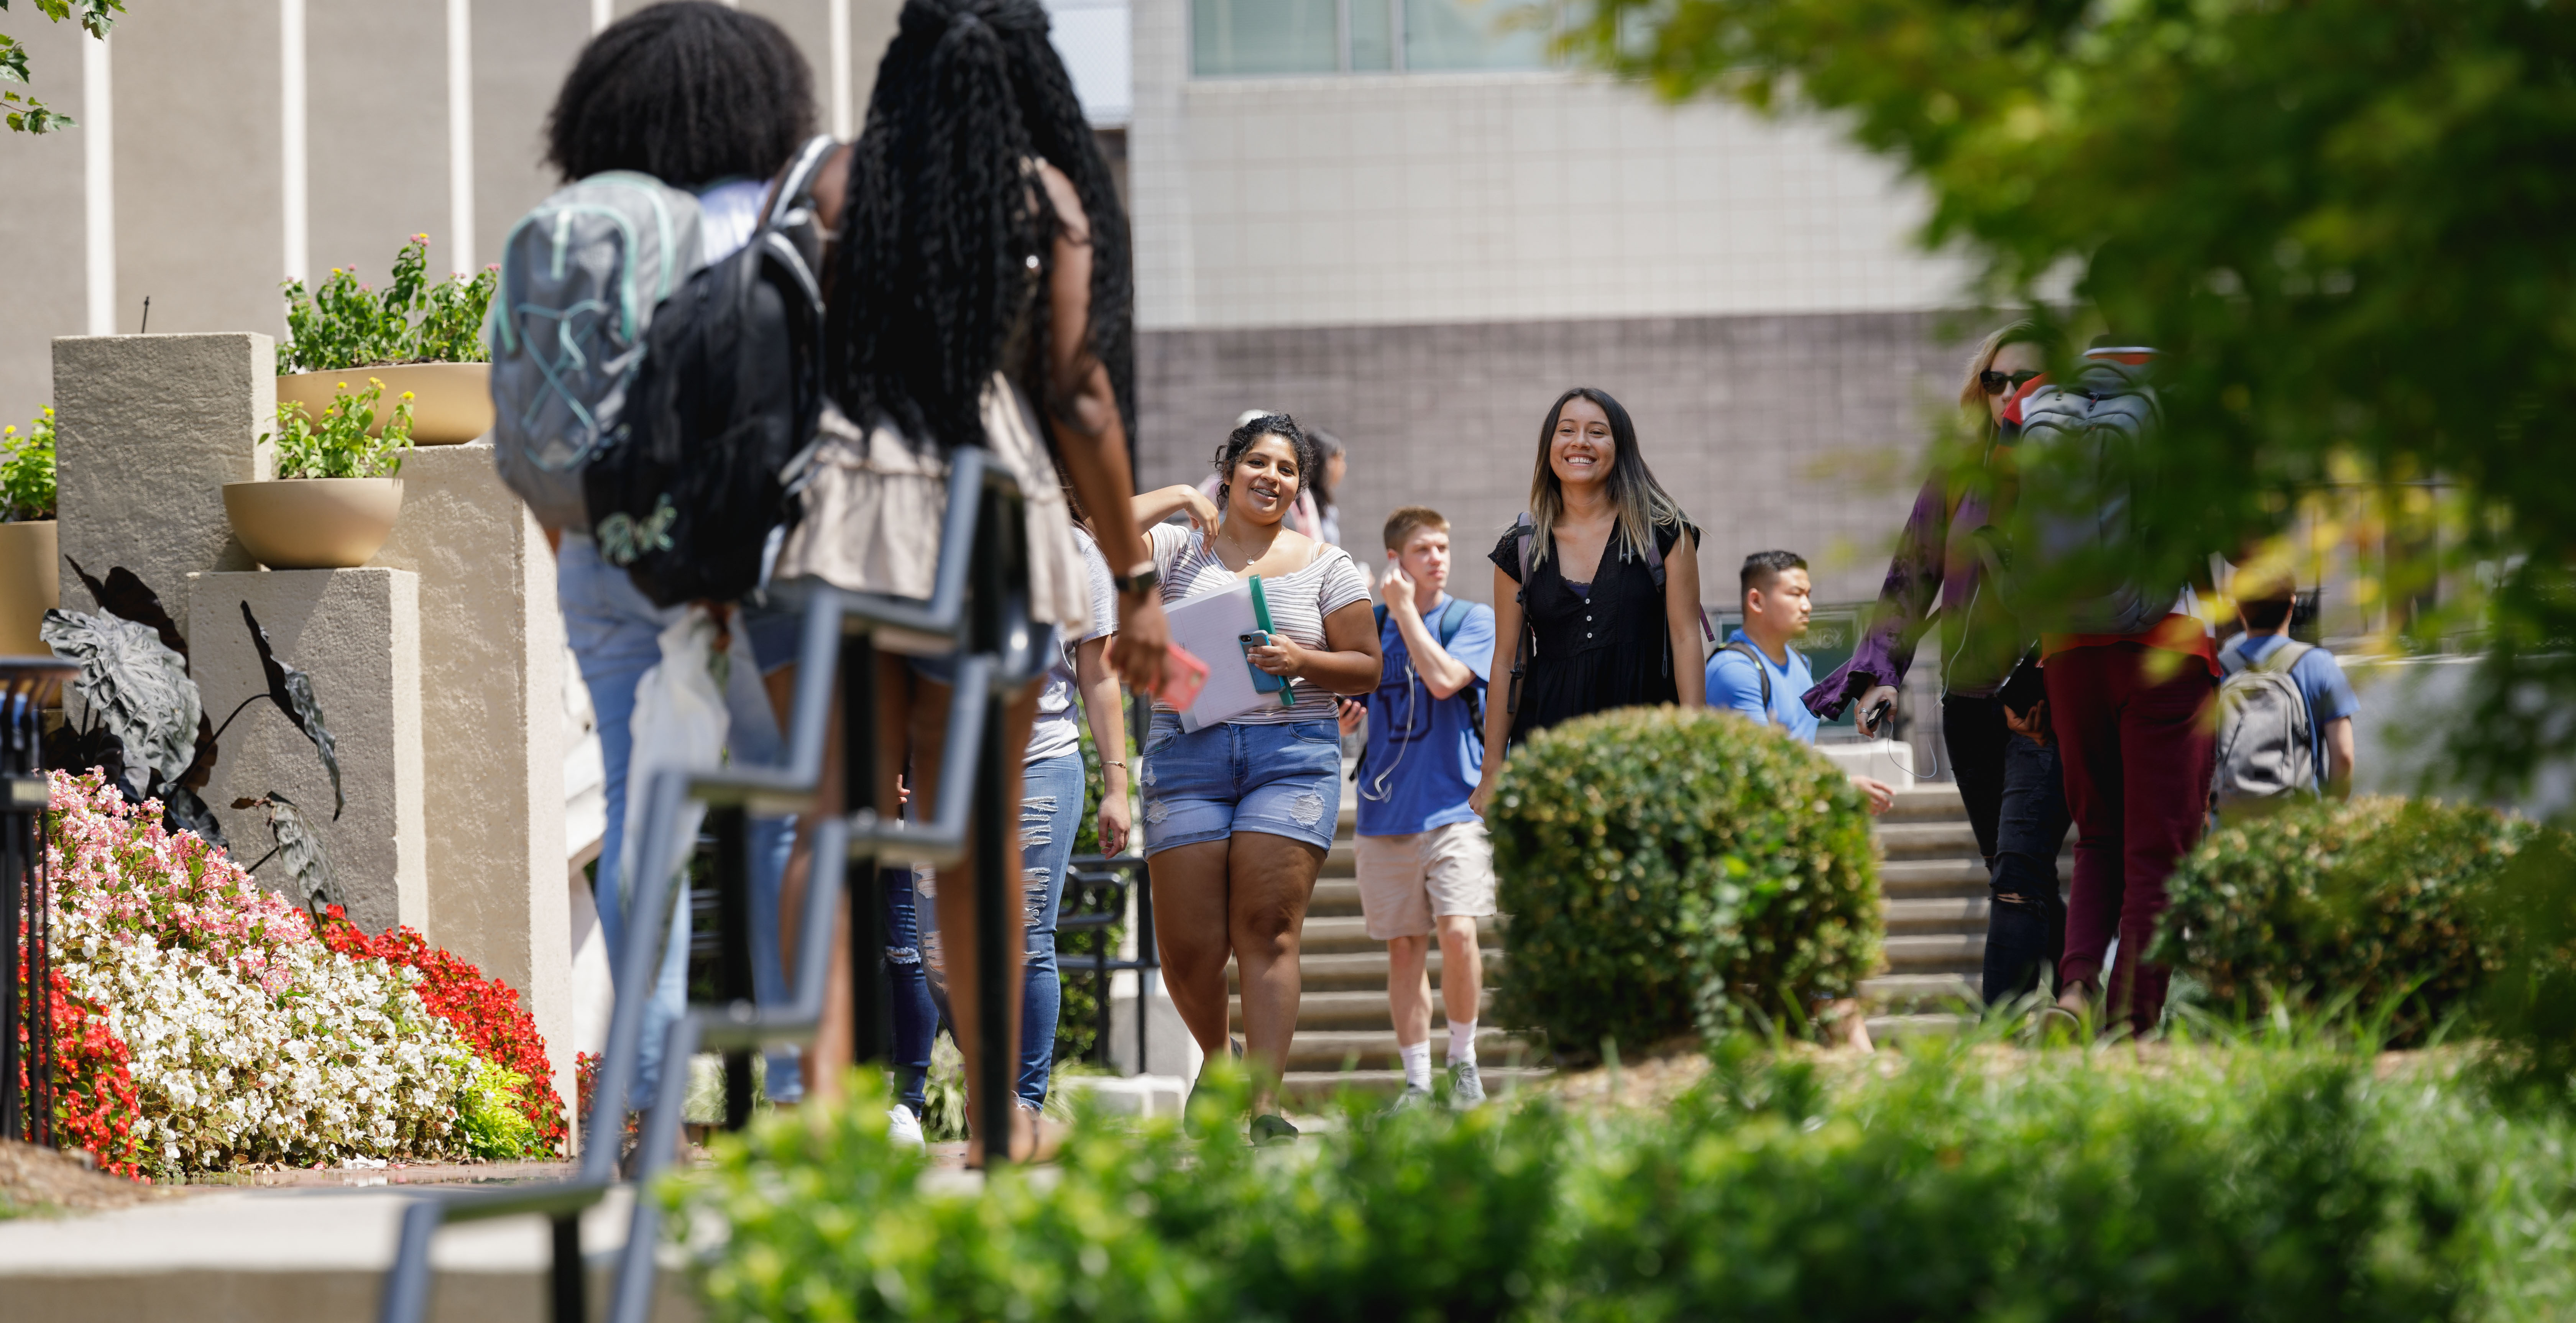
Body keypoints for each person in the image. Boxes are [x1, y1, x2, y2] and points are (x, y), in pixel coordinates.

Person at [775, 0, 1173, 1165]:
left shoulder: (839, 182)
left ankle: (823, 1114)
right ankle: (1000, 1115)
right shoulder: (1043, 197)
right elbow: (1079, 395)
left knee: (832, 820)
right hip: (986, 514)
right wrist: (1132, 576)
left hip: (850, 503)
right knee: (977, 835)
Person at [537, 0, 818, 1115]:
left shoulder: (578, 236)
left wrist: (588, 554)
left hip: (607, 565)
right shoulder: (764, 228)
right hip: (756, 565)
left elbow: (542, 436)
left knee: (646, 828)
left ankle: (641, 1102)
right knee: (783, 818)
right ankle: (795, 1093)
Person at [1804, 321, 2075, 1005]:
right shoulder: (1956, 478)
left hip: (2046, 703)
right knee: (2019, 874)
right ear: (1978, 390)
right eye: (1997, 380)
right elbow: (1910, 578)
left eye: (2029, 379)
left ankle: (2001, 1041)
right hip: (1969, 706)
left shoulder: (2078, 472)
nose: (2010, 393)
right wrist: (1882, 675)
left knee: (2018, 871)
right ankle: (2082, 1007)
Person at [1132, 414, 1380, 1142]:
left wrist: (1302, 659)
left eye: (1288, 469)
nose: (1273, 478)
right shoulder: (1179, 547)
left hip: (1292, 753)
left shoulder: (1327, 564)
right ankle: (1220, 1060)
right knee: (1189, 946)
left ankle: (1267, 1107)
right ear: (1231, 470)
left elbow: (1368, 665)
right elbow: (1096, 528)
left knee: (1268, 931)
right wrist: (1181, 492)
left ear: (1300, 486)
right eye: (1259, 464)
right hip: (1187, 749)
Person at [2024, 345, 2218, 1040]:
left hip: (2068, 647)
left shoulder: (2045, 396)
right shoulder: (2184, 390)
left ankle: (2076, 990)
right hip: (2167, 647)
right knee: (2160, 852)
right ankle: (2133, 1025)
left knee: (2099, 835)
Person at [1470, 387, 1705, 816]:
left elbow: (1688, 637)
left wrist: (1697, 746)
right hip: (1547, 751)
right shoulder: (1519, 547)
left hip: (1648, 747)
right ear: (1549, 447)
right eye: (1567, 430)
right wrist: (1492, 769)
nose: (1580, 441)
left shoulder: (1667, 532)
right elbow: (1507, 660)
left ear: (1621, 448)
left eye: (1597, 432)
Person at [1336, 506, 1496, 1111]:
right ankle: (1417, 1082)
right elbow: (1344, 701)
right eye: (1424, 549)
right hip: (1385, 810)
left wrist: (1404, 612)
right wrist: (1343, 714)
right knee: (1403, 947)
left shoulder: (1470, 618)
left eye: (1442, 548)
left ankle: (1464, 1061)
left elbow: (1445, 679)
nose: (1438, 558)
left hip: (1455, 805)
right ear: (1397, 559)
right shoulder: (1368, 627)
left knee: (1458, 933)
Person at [1012, 521, 1129, 1111]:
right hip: (944, 764)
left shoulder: (1077, 549)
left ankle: (1022, 1105)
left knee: (1029, 939)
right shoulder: (926, 521)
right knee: (940, 950)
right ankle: (985, 1082)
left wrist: (1117, 786)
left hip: (1042, 762)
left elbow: (1099, 674)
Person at [1705, 551, 1897, 816]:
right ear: (1756, 601)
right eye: (1795, 595)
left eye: (1808, 595)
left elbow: (1797, 751)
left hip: (1793, 817)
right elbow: (1761, 769)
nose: (1807, 606)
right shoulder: (1734, 670)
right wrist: (1841, 786)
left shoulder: (1800, 664)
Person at [2217, 571, 2357, 800]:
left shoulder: (2220, 670)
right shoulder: (2319, 664)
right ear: (2292, 603)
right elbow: (2344, 756)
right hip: (2299, 820)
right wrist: (2332, 816)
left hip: (2233, 820)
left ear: (2239, 609)